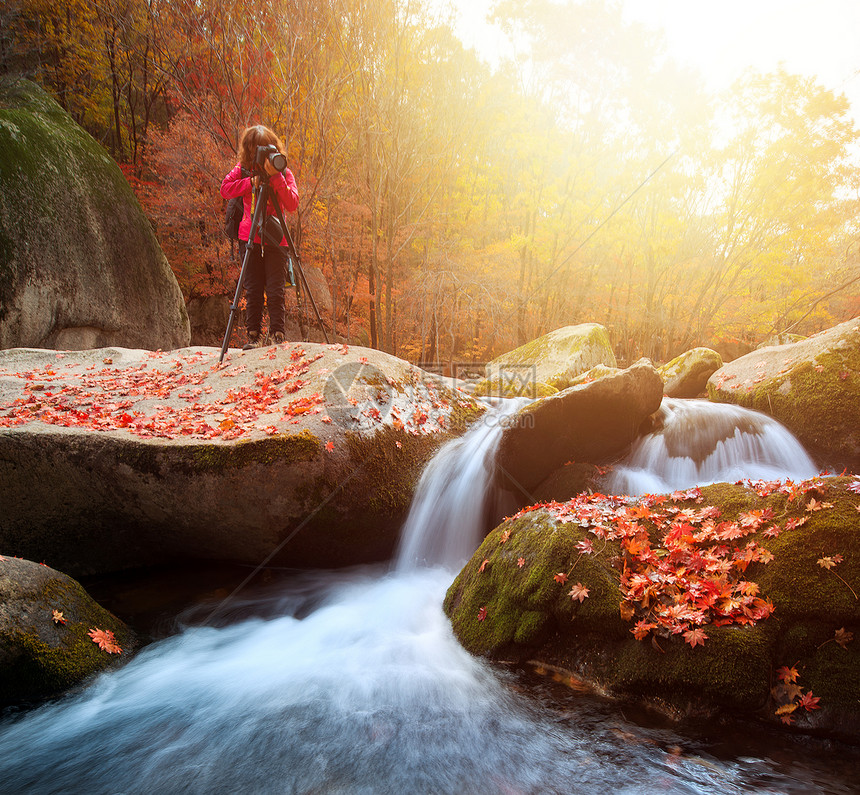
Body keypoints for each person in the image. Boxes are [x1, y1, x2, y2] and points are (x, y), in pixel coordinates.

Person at [220, 125, 299, 348]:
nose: (261, 155)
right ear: (249, 150)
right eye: (256, 150)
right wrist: (249, 183)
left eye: (265, 149)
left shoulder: (283, 172)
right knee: (253, 289)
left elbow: (292, 203)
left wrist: (276, 179)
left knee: (275, 290)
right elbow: (224, 188)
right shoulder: (243, 169)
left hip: (276, 240)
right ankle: (253, 336)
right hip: (249, 237)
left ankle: (277, 335)